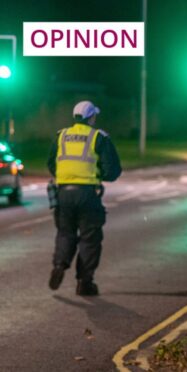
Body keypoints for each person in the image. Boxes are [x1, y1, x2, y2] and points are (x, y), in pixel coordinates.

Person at [47, 101, 122, 296]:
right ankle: (84, 282)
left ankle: (59, 265)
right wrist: (98, 176)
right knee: (90, 239)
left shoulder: (61, 136)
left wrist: (65, 176)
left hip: (63, 193)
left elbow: (51, 163)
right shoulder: (98, 137)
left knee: (65, 233)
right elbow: (112, 170)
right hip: (87, 194)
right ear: (91, 117)